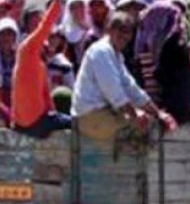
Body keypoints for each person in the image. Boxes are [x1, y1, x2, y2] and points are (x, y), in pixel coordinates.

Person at [72, 12, 176, 140]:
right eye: (120, 30)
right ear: (109, 30)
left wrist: (158, 113)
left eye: (128, 31)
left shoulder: (116, 56)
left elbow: (132, 88)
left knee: (150, 122)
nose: (124, 35)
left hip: (105, 113)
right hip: (89, 116)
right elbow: (113, 90)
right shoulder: (100, 51)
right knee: (143, 129)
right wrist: (135, 115)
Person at [10, 0, 73, 138]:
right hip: (33, 122)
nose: (40, 24)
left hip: (29, 122)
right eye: (36, 20)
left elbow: (46, 96)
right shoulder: (27, 49)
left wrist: (53, 115)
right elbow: (48, 24)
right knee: (81, 124)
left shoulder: (39, 59)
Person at [134, 0, 190, 124]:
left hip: (169, 114)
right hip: (149, 111)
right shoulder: (142, 45)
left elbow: (178, 85)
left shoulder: (176, 48)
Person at [62, 0, 90, 70]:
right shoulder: (65, 32)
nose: (77, 10)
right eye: (73, 7)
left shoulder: (97, 29)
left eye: (81, 6)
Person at [47, 26, 75, 90]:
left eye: (56, 38)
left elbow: (71, 89)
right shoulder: (37, 59)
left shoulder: (65, 65)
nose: (53, 40)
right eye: (51, 37)